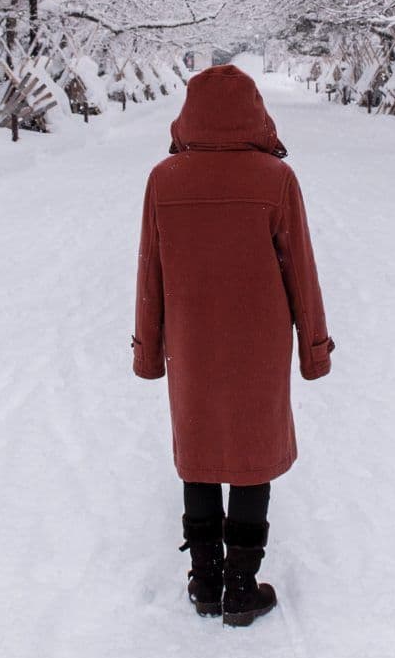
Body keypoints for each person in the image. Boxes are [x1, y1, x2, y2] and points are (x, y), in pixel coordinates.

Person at [131, 64, 333, 627]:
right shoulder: (275, 180)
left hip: (191, 342)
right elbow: (302, 271)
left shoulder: (163, 179)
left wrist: (148, 348)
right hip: (259, 342)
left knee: (198, 453)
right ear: (254, 112)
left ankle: (204, 581)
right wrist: (313, 348)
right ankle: (242, 588)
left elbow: (150, 271)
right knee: (250, 455)